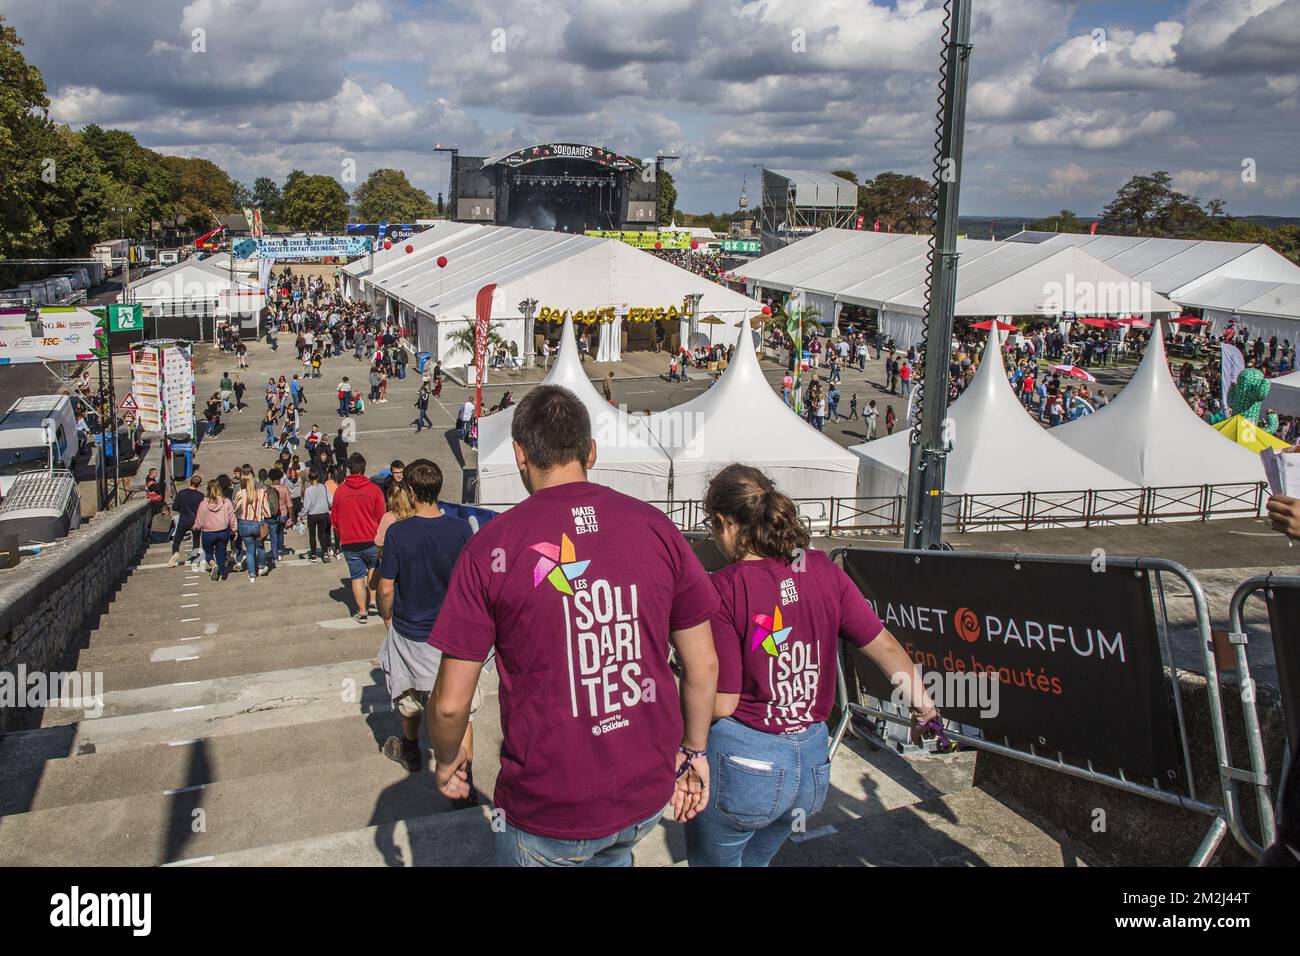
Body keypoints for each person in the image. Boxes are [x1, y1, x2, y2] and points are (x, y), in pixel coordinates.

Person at [427, 384, 720, 867]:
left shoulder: (491, 548)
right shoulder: (656, 527)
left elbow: (451, 702)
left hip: (548, 810)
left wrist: (445, 758)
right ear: (591, 451)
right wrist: (693, 752)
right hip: (644, 796)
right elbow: (703, 663)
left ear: (520, 454)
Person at [682, 464, 937, 867]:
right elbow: (884, 645)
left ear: (723, 522)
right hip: (812, 766)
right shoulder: (821, 568)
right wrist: (924, 705)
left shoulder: (724, 588)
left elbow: (723, 701)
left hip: (746, 766)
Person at [376, 460, 476, 776]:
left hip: (410, 632)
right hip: (452, 633)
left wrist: (386, 615)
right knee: (463, 710)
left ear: (410, 490)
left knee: (409, 698)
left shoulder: (397, 533)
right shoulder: (461, 529)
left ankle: (410, 749)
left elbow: (387, 587)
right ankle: (464, 777)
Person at [332, 453, 387, 623]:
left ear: (349, 469)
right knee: (373, 569)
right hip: (371, 539)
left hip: (350, 541)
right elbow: (381, 516)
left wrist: (340, 534)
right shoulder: (374, 490)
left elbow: (334, 519)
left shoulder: (340, 491)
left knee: (356, 576)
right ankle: (372, 602)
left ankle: (362, 612)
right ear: (364, 468)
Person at [192, 479, 237, 581]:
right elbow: (232, 517)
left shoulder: (203, 504)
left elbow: (199, 520)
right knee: (221, 553)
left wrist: (196, 527)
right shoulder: (226, 502)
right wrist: (234, 529)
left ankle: (213, 564)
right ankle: (222, 572)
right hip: (223, 531)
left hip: (208, 533)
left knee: (207, 552)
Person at [233, 473, 272, 582]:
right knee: (260, 547)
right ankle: (261, 566)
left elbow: (235, 509)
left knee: (249, 551)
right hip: (257, 524)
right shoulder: (261, 492)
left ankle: (251, 574)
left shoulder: (240, 494)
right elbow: (267, 511)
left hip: (244, 524)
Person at [167, 475, 205, 567]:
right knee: (196, 540)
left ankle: (175, 553)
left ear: (190, 482)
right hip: (195, 521)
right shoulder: (200, 496)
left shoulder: (181, 493)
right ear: (199, 485)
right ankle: (194, 557)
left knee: (177, 540)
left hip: (183, 520)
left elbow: (174, 507)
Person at [302, 468, 332, 563]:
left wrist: (300, 515)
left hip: (312, 515)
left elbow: (306, 506)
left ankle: (314, 555)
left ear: (309, 479)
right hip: (323, 513)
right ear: (318, 477)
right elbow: (330, 500)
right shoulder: (324, 487)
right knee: (321, 534)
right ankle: (325, 552)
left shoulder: (308, 490)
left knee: (312, 535)